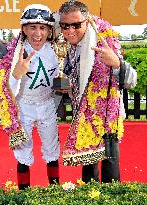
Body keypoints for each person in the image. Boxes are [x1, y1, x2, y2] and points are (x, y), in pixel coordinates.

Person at [58, 1, 137, 183]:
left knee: (110, 173)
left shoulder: (102, 40)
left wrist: (117, 63)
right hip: (83, 117)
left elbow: (131, 80)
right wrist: (67, 87)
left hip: (107, 118)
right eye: (65, 25)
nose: (70, 30)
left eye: (76, 25)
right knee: (88, 171)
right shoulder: (68, 46)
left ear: (87, 21)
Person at [0, 4, 60, 190]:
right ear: (23, 28)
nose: (37, 33)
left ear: (49, 30)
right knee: (23, 152)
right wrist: (15, 74)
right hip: (24, 106)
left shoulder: (56, 51)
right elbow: (4, 89)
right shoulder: (13, 53)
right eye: (32, 27)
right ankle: (24, 194)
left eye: (42, 28)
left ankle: (55, 192)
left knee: (52, 150)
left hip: (47, 105)